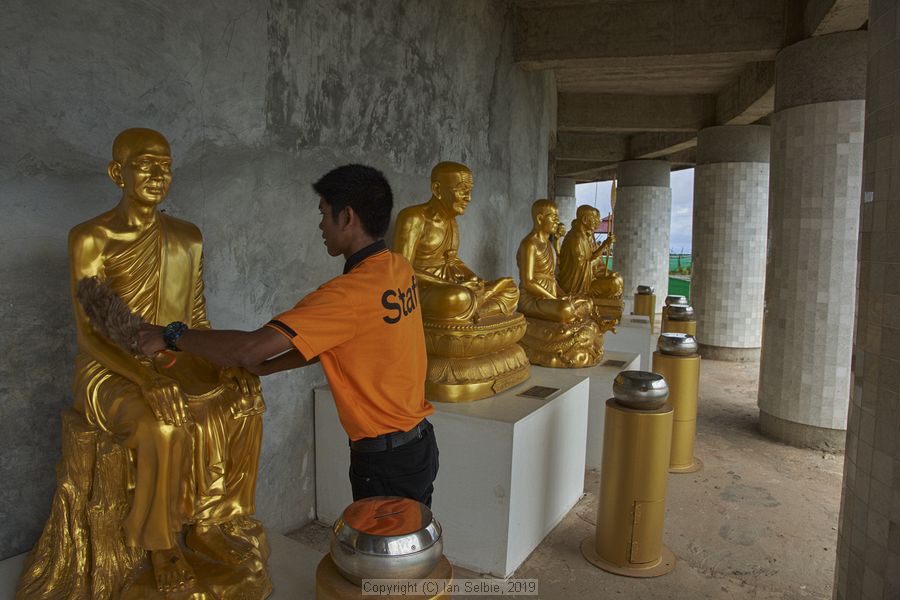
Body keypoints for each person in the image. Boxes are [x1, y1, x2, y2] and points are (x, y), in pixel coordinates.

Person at [138, 164, 439, 507]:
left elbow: (248, 349)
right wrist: (268, 367)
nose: (321, 225)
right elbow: (338, 342)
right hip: (418, 445)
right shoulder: (398, 268)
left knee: (386, 557)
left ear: (348, 217)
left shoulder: (346, 296)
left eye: (324, 214)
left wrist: (172, 334)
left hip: (386, 461)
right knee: (412, 548)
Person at [66, 128, 266, 593]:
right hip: (110, 367)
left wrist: (228, 366)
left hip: (175, 356)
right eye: (145, 164)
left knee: (242, 402)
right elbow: (89, 336)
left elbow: (195, 319)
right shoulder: (91, 238)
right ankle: (160, 545)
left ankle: (211, 523)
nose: (159, 174)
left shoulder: (187, 237)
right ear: (118, 173)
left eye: (166, 165)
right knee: (163, 425)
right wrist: (143, 377)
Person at [392, 161, 518, 323]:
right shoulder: (413, 217)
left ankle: (475, 309)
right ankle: (473, 308)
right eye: (462, 191)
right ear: (437, 190)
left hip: (452, 286)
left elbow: (452, 260)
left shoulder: (452, 222)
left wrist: (475, 280)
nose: (469, 198)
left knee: (510, 288)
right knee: (457, 297)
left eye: (470, 191)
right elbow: (401, 271)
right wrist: (446, 285)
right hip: (422, 291)